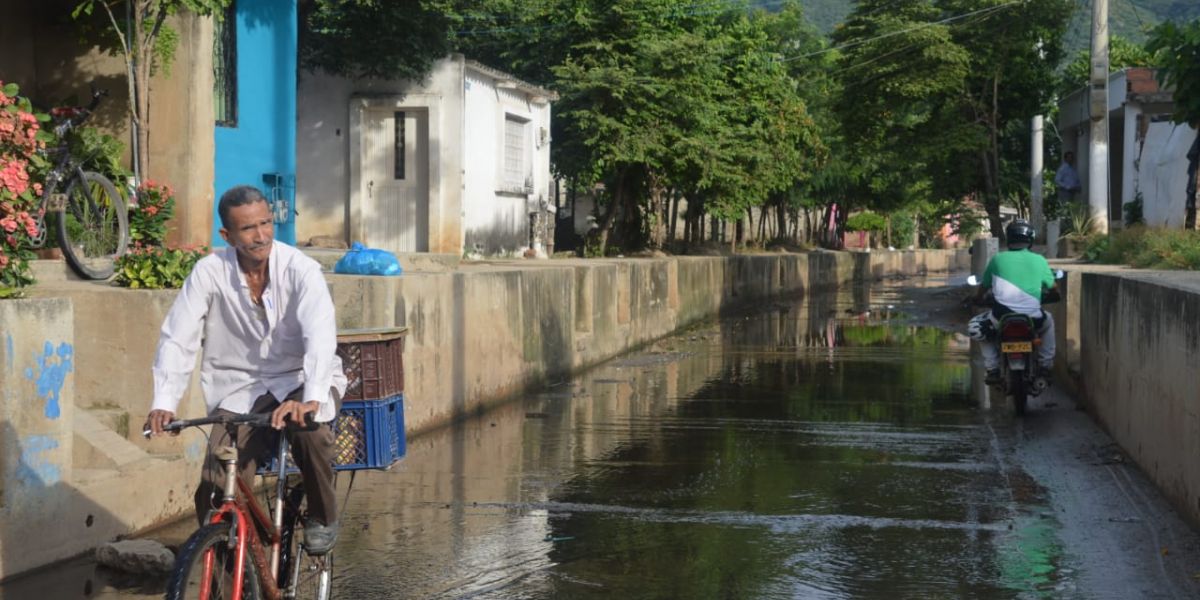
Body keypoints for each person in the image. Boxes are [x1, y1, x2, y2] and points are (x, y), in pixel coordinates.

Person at [144, 185, 346, 555]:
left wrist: (311, 398)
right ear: (228, 235)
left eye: (266, 223)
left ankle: (323, 514)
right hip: (239, 388)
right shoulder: (209, 272)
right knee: (216, 481)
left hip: (299, 379)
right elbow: (178, 336)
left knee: (309, 434)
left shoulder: (301, 270)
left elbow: (320, 334)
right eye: (248, 229)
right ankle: (226, 572)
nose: (261, 235)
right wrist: (164, 401)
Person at [967, 219, 1058, 386]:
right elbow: (1053, 287)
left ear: (1009, 238)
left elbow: (984, 286)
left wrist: (978, 299)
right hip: (1033, 318)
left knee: (978, 326)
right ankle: (1045, 365)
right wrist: (1053, 294)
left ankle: (992, 368)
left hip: (1001, 317)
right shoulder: (1039, 260)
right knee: (1049, 322)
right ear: (1030, 239)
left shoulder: (997, 260)